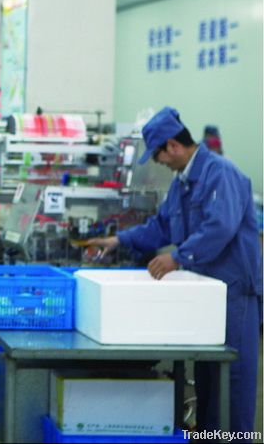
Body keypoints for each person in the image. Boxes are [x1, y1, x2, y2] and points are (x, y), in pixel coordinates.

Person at [88, 106, 261, 440]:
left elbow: (219, 227)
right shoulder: (182, 185)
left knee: (234, 382)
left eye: (158, 156)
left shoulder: (221, 174)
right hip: (205, 294)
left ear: (173, 145)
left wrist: (177, 258)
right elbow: (161, 227)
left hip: (235, 293)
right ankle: (210, 436)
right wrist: (117, 239)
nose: (159, 163)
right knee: (210, 377)